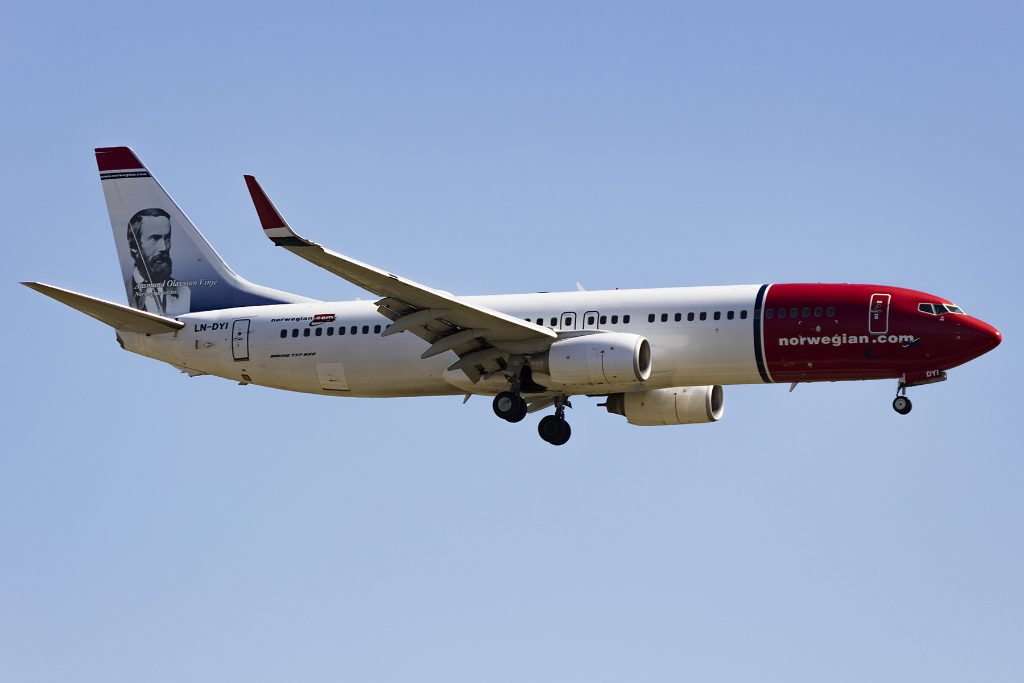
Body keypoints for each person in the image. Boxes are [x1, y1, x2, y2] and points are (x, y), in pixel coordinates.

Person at [123, 208, 191, 316]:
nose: (164, 247)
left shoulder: (185, 291)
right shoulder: (122, 295)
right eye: (154, 238)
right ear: (133, 245)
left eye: (167, 238)